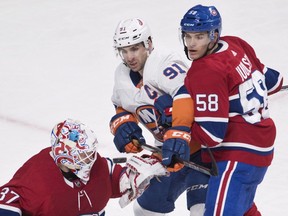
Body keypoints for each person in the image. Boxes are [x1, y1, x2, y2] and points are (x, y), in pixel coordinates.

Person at [179, 4, 283, 216]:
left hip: (238, 154)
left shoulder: (205, 70)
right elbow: (274, 81)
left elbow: (211, 135)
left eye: (199, 36)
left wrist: (180, 126)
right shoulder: (235, 44)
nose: (191, 44)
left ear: (214, 35)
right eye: (187, 36)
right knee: (243, 210)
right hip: (262, 148)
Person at [109, 17, 210, 215]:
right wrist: (124, 125)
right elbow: (121, 105)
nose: (130, 57)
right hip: (168, 154)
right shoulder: (121, 75)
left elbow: (186, 94)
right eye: (124, 50)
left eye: (135, 48)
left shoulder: (165, 62)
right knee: (145, 210)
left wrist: (177, 126)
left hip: (204, 151)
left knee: (203, 212)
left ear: (148, 44)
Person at [0, 118, 168, 216]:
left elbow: (113, 177)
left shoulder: (97, 165)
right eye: (83, 155)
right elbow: (6, 203)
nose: (90, 159)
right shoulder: (37, 178)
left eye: (90, 153)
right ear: (65, 156)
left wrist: (133, 175)